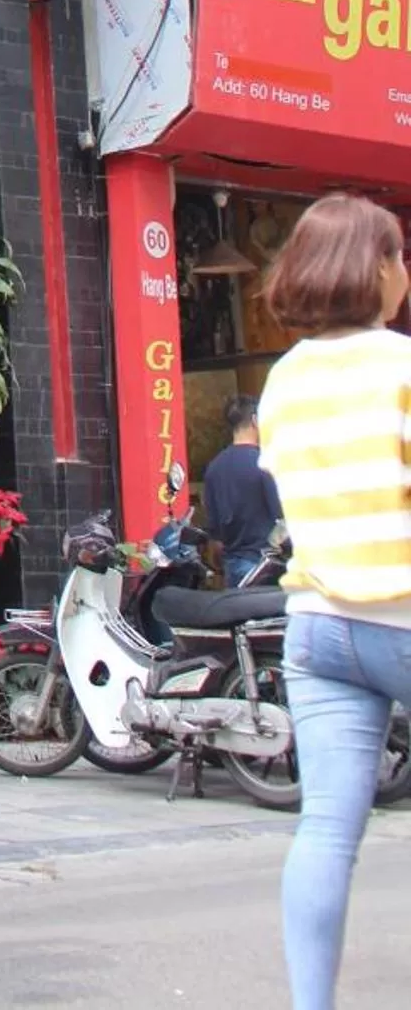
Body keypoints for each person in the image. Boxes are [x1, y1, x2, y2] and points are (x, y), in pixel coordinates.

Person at [256, 194, 411, 1010]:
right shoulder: (402, 366)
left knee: (326, 829)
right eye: (399, 256)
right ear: (377, 267)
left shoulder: (282, 383)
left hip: (318, 628)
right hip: (403, 614)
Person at [201, 393, 283, 586]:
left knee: (239, 616)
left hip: (232, 564)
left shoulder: (214, 467)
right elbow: (281, 518)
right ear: (255, 420)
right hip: (264, 566)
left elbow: (214, 531)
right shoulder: (265, 462)